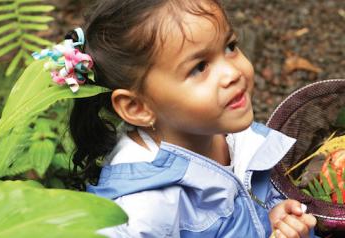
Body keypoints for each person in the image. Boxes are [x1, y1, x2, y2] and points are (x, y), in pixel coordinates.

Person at [66, 0, 317, 237]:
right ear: (137, 107)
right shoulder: (145, 209)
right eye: (199, 67)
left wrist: (268, 222)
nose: (232, 73)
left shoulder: (219, 129)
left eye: (229, 46)